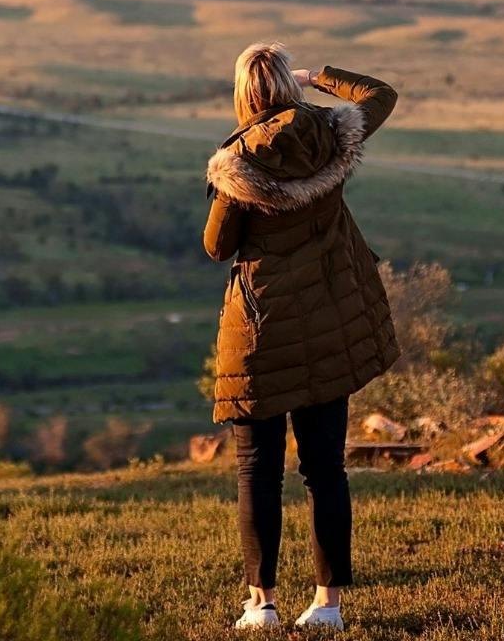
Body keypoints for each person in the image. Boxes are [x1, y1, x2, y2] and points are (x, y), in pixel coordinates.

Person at [203, 41, 401, 631]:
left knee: (257, 471)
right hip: (329, 327)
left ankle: (261, 603)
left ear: (243, 93)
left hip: (262, 336)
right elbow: (380, 94)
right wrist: (317, 77)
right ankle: (328, 605)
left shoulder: (238, 162)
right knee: (325, 471)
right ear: (289, 83)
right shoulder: (331, 133)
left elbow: (217, 246)